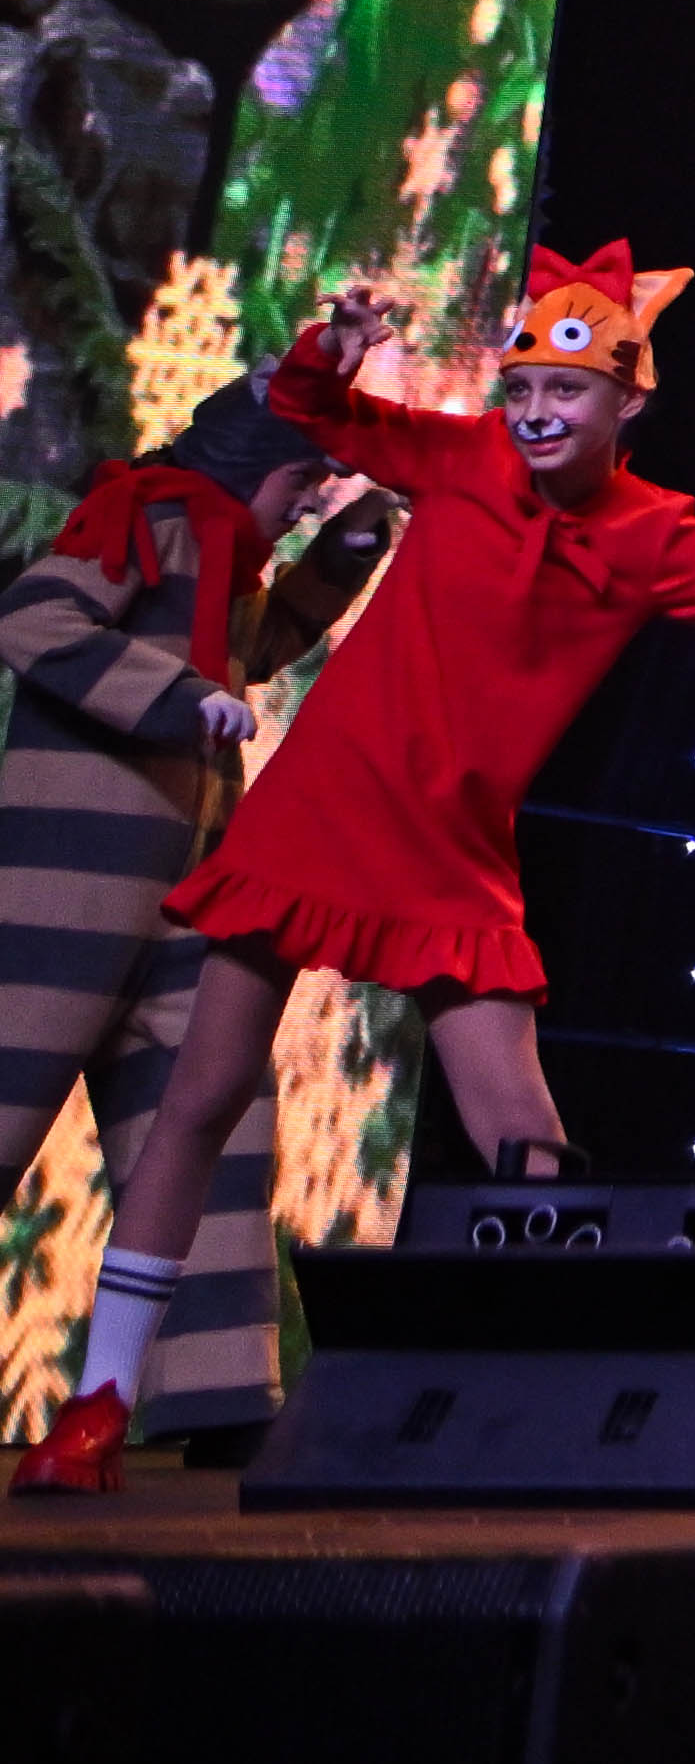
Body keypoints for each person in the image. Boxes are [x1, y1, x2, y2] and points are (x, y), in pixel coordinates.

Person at [23, 248, 695, 1501]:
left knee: (522, 1129)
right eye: (521, 389)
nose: (535, 412)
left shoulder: (658, 536)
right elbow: (316, 410)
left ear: (629, 400)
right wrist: (334, 347)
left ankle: (555, 1399)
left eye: (566, 392)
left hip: (453, 850)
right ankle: (98, 1403)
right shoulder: (462, 458)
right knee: (200, 1094)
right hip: (320, 814)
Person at [0, 382, 355, 1471]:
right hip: (68, 888)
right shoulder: (147, 516)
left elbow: (260, 644)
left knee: (210, 1122)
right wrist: (171, 695)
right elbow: (32, 617)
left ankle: (217, 1391)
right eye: (300, 481)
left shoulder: (230, 562)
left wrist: (344, 553)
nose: (304, 501)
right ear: (251, 465)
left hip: (183, 892)